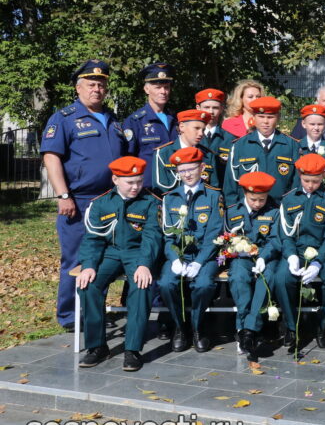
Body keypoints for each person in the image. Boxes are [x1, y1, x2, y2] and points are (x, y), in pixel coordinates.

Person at [41, 60, 129, 331]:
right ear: (78, 88)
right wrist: (63, 194)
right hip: (78, 201)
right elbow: (51, 157)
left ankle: (93, 311)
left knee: (102, 257)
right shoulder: (64, 118)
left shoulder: (114, 121)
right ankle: (69, 316)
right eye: (91, 84)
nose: (97, 90)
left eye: (101, 85)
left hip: (110, 200)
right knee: (75, 258)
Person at [76, 156, 160, 371]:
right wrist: (88, 265)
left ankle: (133, 349)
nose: (135, 187)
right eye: (130, 182)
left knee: (142, 286)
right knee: (88, 285)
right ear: (115, 179)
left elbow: (152, 236)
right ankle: (97, 346)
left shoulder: (151, 202)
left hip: (137, 253)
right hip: (110, 253)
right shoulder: (100, 203)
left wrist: (144, 264)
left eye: (139, 181)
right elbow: (92, 238)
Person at [158, 146, 224, 353]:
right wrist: (174, 258)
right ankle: (180, 327)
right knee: (166, 283)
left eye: (191, 169)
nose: (187, 174)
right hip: (180, 254)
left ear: (202, 168)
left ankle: (198, 327)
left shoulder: (214, 196)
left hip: (206, 256)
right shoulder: (170, 198)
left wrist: (199, 261)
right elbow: (167, 235)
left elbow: (215, 234)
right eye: (182, 170)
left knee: (203, 284)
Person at [275, 153, 325, 352]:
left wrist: (318, 262)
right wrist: (291, 255)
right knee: (281, 279)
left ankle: (324, 325)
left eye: (315, 180)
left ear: (324, 176)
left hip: (322, 253)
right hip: (296, 251)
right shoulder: (288, 200)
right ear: (299, 175)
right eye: (306, 180)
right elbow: (285, 233)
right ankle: (290, 326)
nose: (310, 185)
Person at [223, 171, 282, 363]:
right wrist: (236, 249)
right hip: (242, 256)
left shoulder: (274, 210)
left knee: (267, 279)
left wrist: (263, 257)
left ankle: (248, 329)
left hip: (267, 257)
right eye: (253, 199)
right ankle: (245, 328)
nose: (257, 203)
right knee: (239, 278)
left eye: (261, 199)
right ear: (245, 194)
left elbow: (275, 240)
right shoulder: (232, 210)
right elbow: (226, 238)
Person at [224, 96, 300, 209]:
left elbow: (296, 183)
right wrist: (235, 211)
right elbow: (230, 185)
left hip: (280, 210)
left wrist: (291, 208)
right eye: (261, 116)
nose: (265, 121)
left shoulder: (291, 145)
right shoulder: (239, 146)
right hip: (247, 211)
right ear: (254, 117)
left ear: (278, 117)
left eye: (270, 117)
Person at [123, 62, 177, 190]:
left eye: (166, 87)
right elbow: (129, 159)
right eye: (158, 87)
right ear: (146, 89)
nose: (163, 92)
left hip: (175, 187)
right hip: (148, 189)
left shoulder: (176, 120)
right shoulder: (135, 121)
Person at [152, 110, 212, 194]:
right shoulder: (163, 153)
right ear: (181, 127)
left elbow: (214, 187)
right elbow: (160, 188)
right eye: (197, 128)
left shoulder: (208, 155)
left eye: (203, 129)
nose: (201, 133)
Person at [294, 104, 325, 195]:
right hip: (299, 198)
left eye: (320, 124)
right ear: (304, 124)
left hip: (324, 200)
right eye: (312, 124)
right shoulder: (295, 147)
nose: (316, 128)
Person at [196, 88, 232, 188]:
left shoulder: (230, 139)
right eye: (206, 107)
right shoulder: (190, 137)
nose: (211, 111)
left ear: (221, 109)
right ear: (198, 108)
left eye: (215, 108)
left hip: (222, 192)